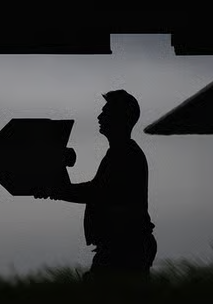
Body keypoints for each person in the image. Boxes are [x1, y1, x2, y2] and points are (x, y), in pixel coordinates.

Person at [36, 90, 157, 283]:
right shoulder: (121, 153)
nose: (100, 116)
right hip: (124, 244)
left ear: (120, 118)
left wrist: (57, 190)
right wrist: (58, 189)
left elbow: (99, 192)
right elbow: (99, 190)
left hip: (124, 245)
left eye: (106, 112)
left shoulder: (125, 155)